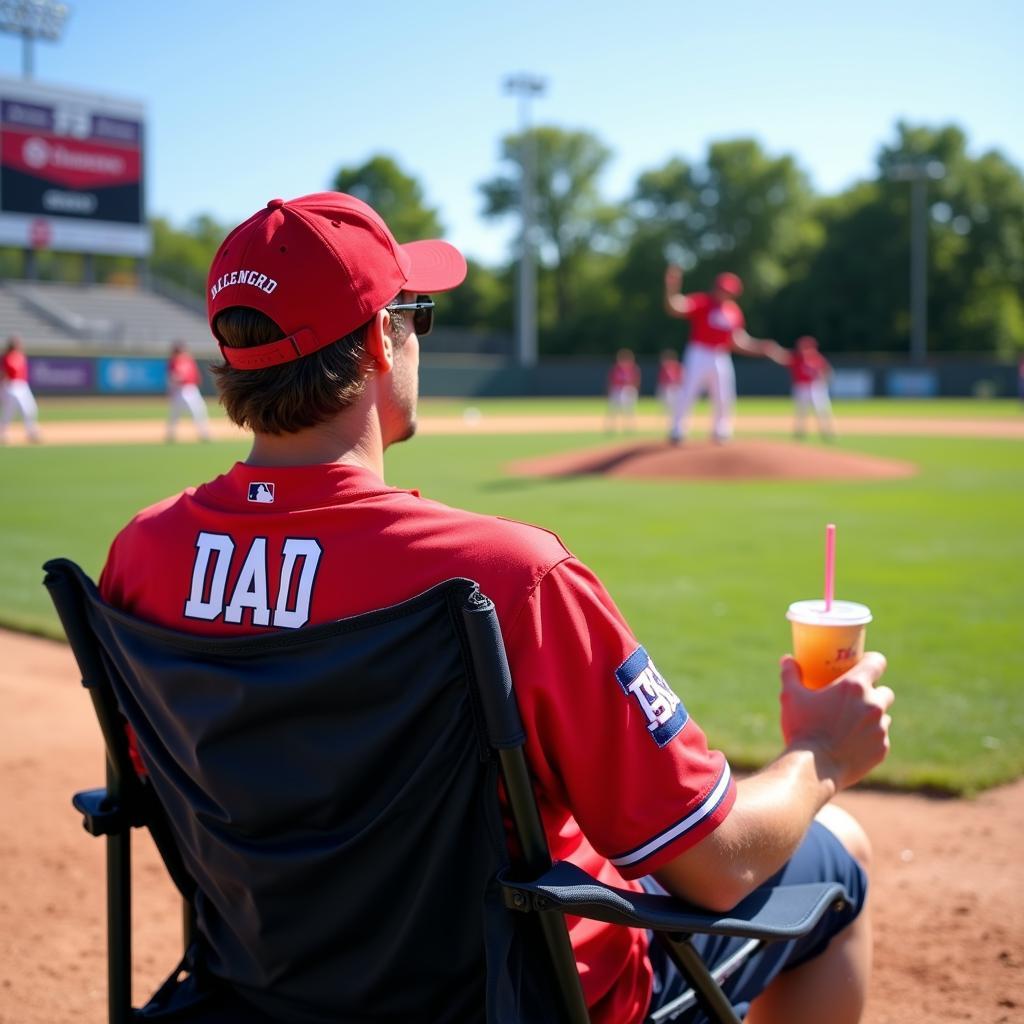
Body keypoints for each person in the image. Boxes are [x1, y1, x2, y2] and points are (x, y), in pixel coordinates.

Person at [99, 192, 893, 1024]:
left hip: (266, 986)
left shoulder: (141, 556)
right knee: (843, 858)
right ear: (381, 337)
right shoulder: (510, 575)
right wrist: (821, 754)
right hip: (525, 997)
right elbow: (718, 863)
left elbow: (169, 785)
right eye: (417, 314)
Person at [663, 265, 782, 445]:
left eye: (729, 291)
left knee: (724, 393)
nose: (725, 293)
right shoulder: (703, 302)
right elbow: (675, 307)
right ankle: (678, 429)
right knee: (688, 391)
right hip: (699, 351)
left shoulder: (733, 311)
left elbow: (737, 341)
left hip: (720, 354)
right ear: (715, 288)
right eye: (723, 289)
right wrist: (672, 287)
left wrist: (760, 347)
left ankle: (721, 430)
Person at [778, 335, 836, 440]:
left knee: (822, 410)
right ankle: (800, 433)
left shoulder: (816, 358)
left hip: (815, 387)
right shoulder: (796, 358)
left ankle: (827, 433)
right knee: (801, 412)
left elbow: (827, 371)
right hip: (801, 387)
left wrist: (824, 381)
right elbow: (783, 359)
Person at [166, 340, 211, 442]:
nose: (180, 352)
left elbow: (195, 374)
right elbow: (171, 377)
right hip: (179, 389)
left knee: (199, 410)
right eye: (178, 350)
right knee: (174, 414)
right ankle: (170, 434)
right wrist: (173, 386)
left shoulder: (188, 359)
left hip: (191, 389)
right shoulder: (173, 361)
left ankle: (204, 433)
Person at [0, 335, 41, 444]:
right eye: (17, 343)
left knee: (30, 408)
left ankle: (31, 432)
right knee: (9, 411)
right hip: (10, 385)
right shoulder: (6, 357)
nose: (19, 344)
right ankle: (2, 433)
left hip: (22, 385)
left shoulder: (20, 356)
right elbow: (3, 373)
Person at [606, 347, 641, 432]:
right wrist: (609, 390)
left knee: (629, 409)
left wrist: (634, 390)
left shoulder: (633, 368)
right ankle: (612, 427)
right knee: (613, 409)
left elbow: (636, 380)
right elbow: (610, 380)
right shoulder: (616, 368)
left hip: (628, 390)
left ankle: (629, 426)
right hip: (617, 389)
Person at [656, 348, 684, 428]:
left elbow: (680, 378)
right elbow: (661, 379)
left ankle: (674, 420)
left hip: (674, 388)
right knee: (665, 405)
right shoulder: (664, 367)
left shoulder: (677, 366)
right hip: (666, 388)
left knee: (674, 405)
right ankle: (666, 420)